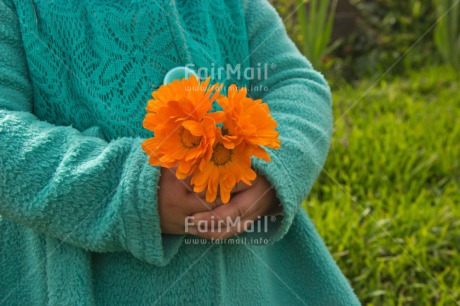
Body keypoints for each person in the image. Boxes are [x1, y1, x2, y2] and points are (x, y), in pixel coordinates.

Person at [0, 0, 360, 304]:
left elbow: (296, 82)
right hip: (77, 277)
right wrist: (128, 189)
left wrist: (270, 167)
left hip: (251, 279)